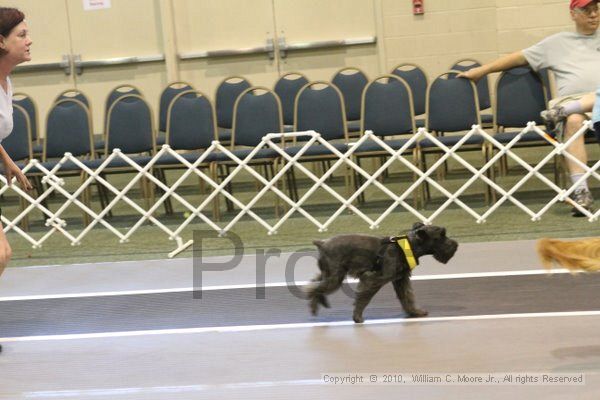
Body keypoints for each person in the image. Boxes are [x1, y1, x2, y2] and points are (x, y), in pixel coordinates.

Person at [458, 0, 600, 216]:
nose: (593, 15)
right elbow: (519, 58)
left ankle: (564, 111)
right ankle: (581, 192)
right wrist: (482, 71)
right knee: (573, 121)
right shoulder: (557, 43)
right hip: (575, 104)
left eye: (596, 9)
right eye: (587, 10)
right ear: (573, 14)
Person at [0, 7, 34, 353]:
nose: (29, 40)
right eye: (21, 35)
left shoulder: (7, 82)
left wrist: (7, 161)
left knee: (2, 254)